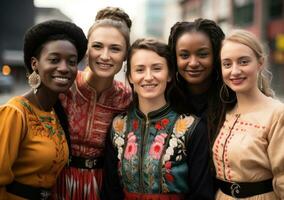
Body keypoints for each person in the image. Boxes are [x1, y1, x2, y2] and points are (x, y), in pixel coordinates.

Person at [102, 38, 214, 200]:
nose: (148, 77)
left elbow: (201, 194)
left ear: (169, 74)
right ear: (130, 77)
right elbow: (110, 191)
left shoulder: (192, 128)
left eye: (156, 68)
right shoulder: (118, 126)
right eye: (139, 70)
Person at [0, 20, 87, 199]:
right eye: (54, 60)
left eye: (71, 62)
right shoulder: (15, 113)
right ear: (35, 64)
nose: (64, 68)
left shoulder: (55, 113)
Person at [53, 7, 132, 200]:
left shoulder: (128, 98)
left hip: (102, 187)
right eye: (97, 46)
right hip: (56, 183)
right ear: (86, 50)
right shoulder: (63, 87)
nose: (105, 56)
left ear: (126, 55)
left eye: (115, 48)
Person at [213, 29, 284, 199]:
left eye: (243, 62)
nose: (235, 71)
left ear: (260, 63)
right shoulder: (226, 112)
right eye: (227, 64)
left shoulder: (277, 113)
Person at [168, 18, 225, 143]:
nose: (193, 63)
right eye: (184, 55)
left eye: (203, 54)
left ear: (216, 56)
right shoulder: (164, 99)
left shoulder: (230, 98)